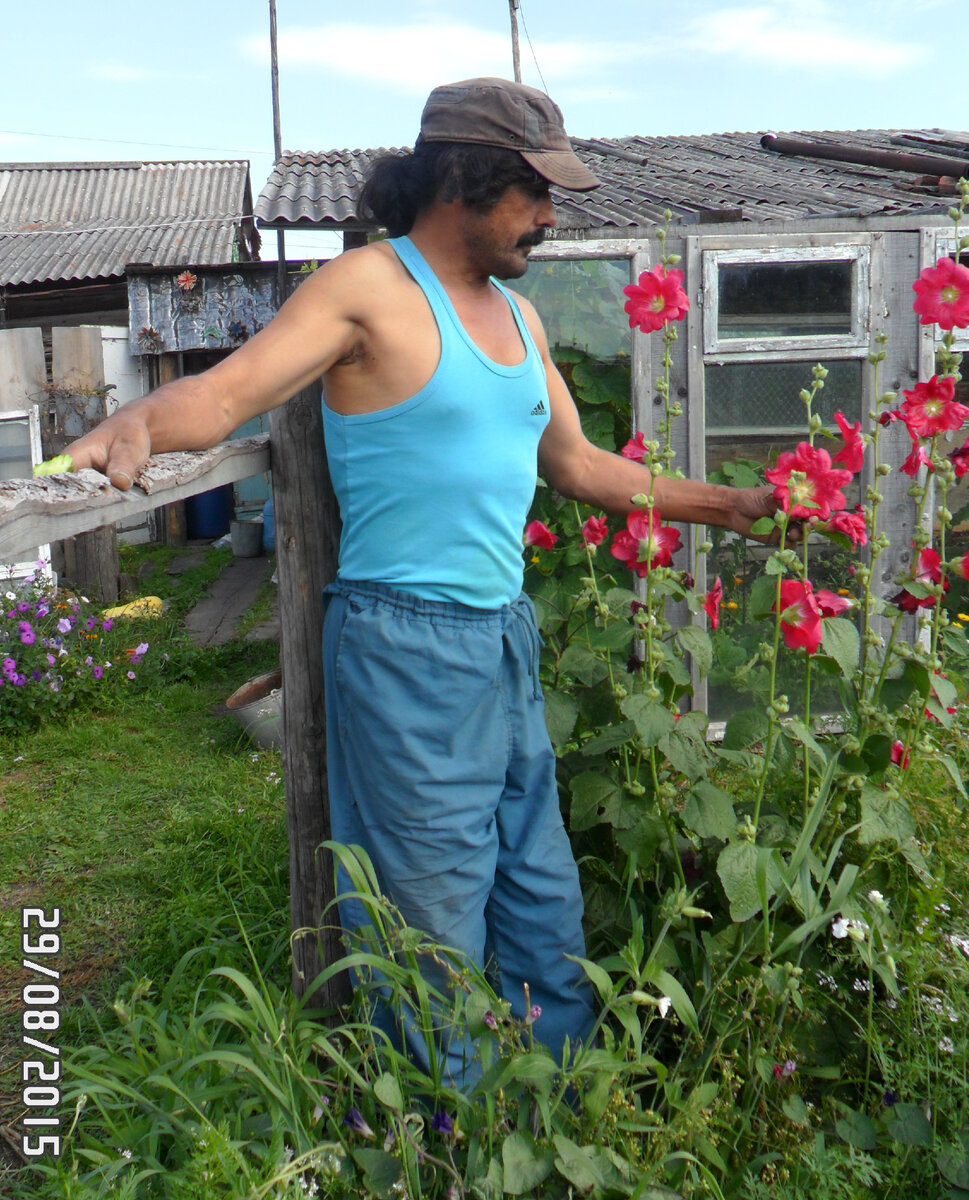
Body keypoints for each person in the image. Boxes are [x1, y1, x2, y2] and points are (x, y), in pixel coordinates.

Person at [67, 77, 778, 1086]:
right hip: (403, 644)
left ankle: (555, 1118)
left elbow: (580, 469)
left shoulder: (518, 326)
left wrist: (731, 507)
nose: (546, 216)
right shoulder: (365, 289)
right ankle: (448, 1141)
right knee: (431, 910)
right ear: (461, 181)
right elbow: (226, 391)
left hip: (500, 636)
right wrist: (136, 422)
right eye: (532, 193)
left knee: (539, 891)